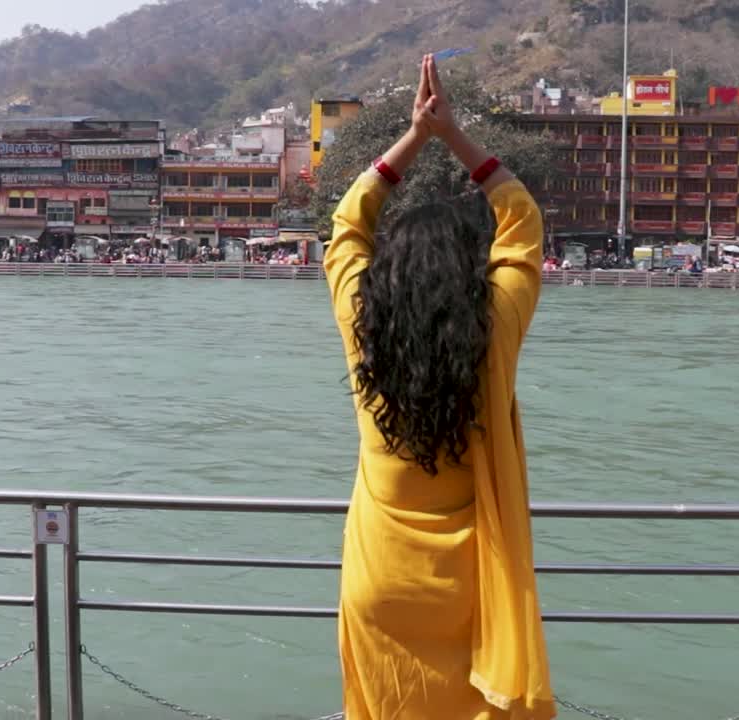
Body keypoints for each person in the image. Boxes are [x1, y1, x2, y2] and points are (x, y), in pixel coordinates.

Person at [324, 55, 555, 719]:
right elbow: (522, 220)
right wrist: (454, 136)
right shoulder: (495, 330)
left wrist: (413, 137)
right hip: (470, 586)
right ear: (467, 277)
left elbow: (346, 225)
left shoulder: (363, 327)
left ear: (385, 279)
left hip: (380, 579)